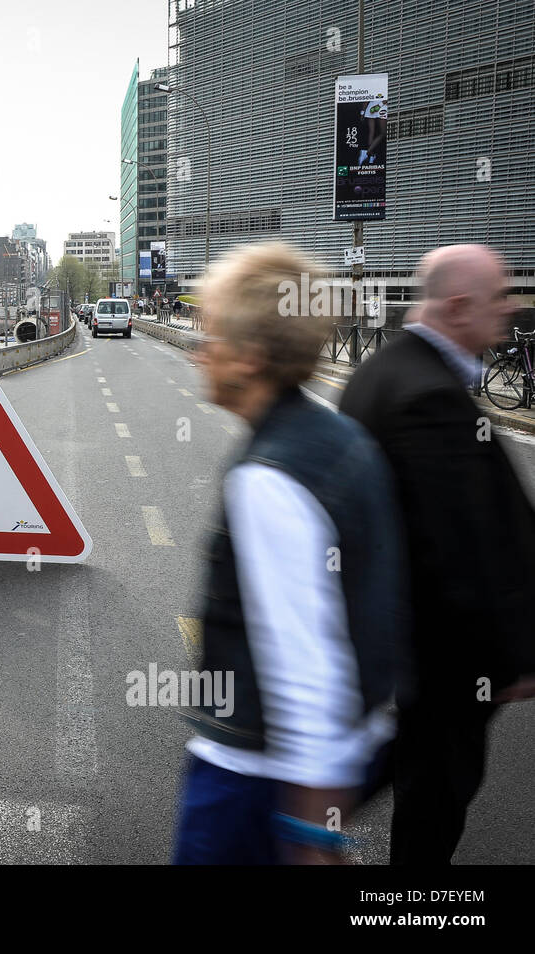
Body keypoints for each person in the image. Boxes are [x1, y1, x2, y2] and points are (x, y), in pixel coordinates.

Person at [173, 243, 408, 864]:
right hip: (348, 747)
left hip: (247, 779)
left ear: (250, 358)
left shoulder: (268, 477)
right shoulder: (339, 436)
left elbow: (308, 673)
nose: (201, 349)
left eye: (214, 334)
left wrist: (313, 836)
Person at [340, 244, 535, 865]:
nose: (510, 309)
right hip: (447, 658)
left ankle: (301, 814)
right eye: (499, 296)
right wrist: (509, 659)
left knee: (412, 767)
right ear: (457, 306)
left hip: (408, 649)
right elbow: (454, 551)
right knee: (435, 794)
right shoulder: (429, 395)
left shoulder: (383, 371)